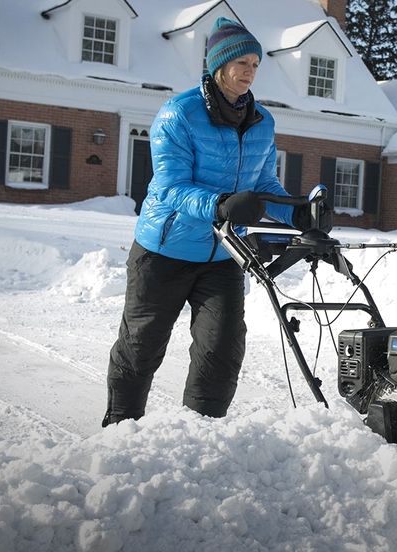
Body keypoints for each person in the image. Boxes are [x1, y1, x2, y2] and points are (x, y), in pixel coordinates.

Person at [103, 17, 320, 426]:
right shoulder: (178, 115)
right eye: (242, 62)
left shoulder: (262, 121)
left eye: (256, 64)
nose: (250, 71)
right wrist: (221, 204)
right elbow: (169, 188)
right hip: (163, 251)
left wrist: (298, 213)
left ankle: (201, 434)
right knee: (141, 346)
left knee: (221, 349)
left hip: (223, 254)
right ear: (218, 66)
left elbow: (263, 182)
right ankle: (120, 430)